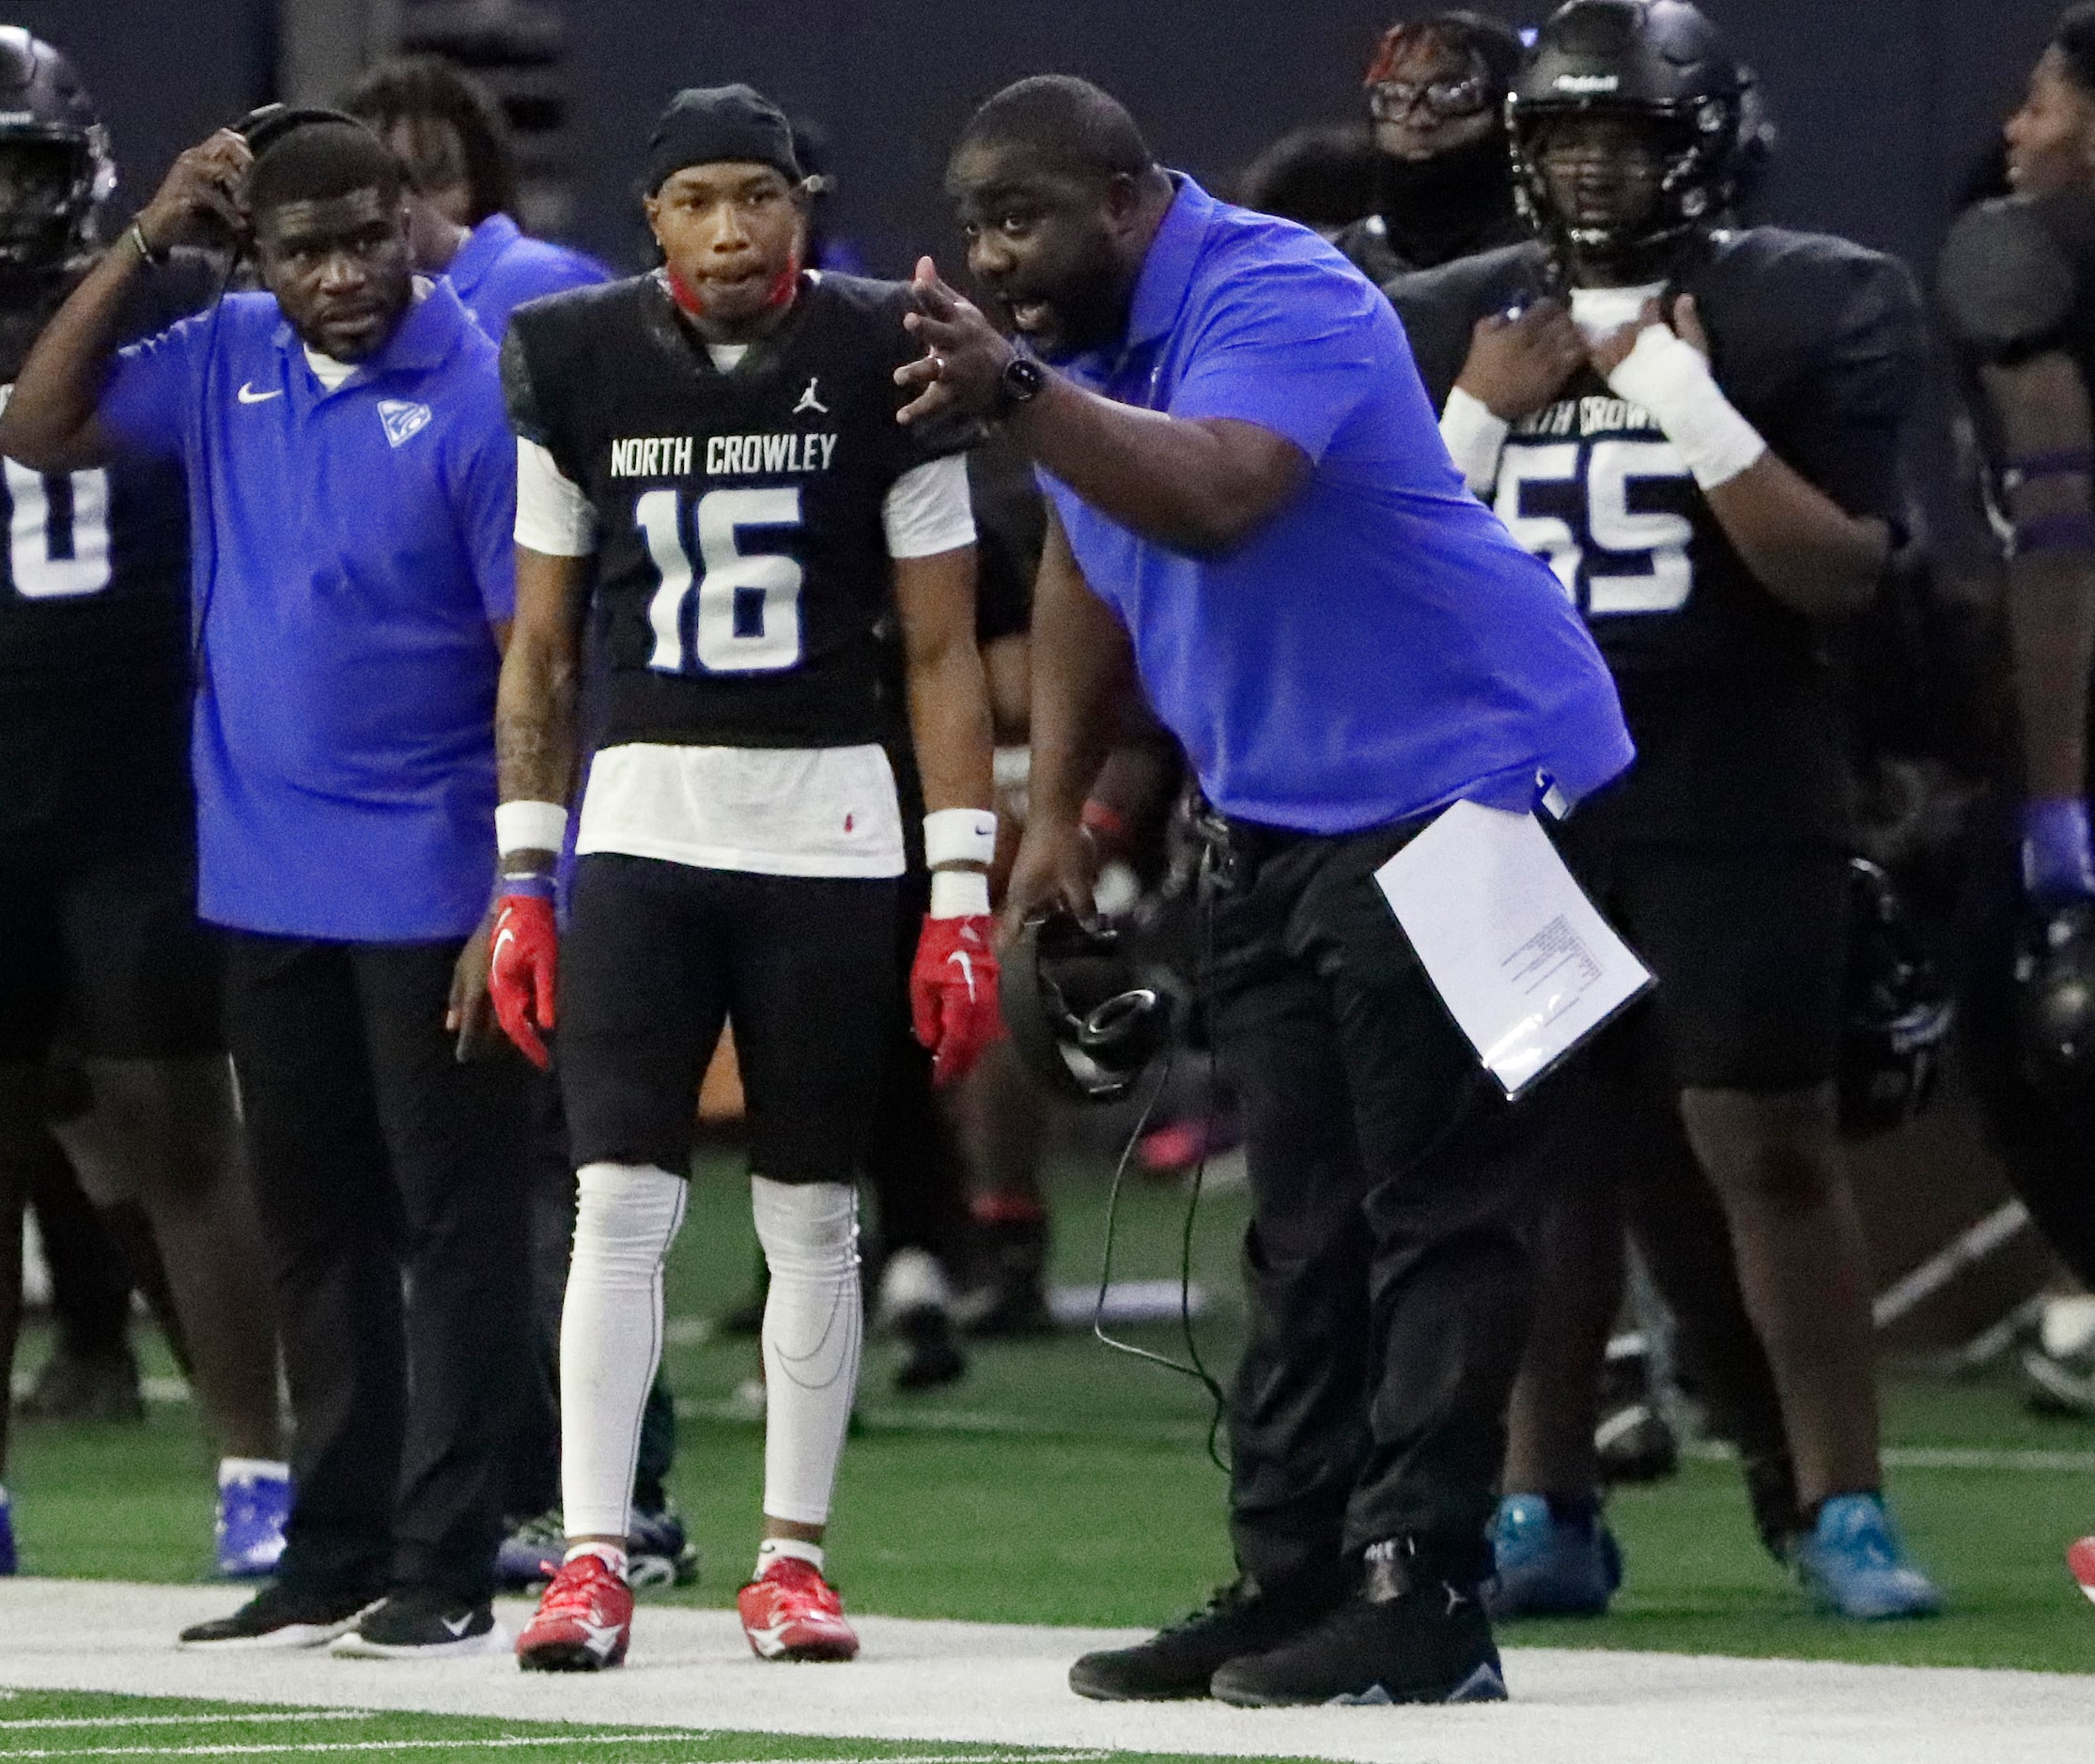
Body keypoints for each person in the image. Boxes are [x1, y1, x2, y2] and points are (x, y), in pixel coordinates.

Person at [909, 72, 1630, 1707]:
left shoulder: (1277, 287)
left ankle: (1428, 1589)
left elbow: (1221, 494)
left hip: (1471, 776)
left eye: (1018, 217)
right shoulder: (1082, 347)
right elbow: (1083, 558)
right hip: (1288, 803)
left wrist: (1018, 383)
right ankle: (1292, 1570)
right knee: (1299, 1223)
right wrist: (1061, 822)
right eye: (971, 227)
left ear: (1123, 197)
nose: (992, 254)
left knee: (1437, 1206)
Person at [1387, 0, 1939, 1620]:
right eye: (1563, 138)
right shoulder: (1448, 319)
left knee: (1763, 1139)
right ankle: (1537, 1498)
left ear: (1697, 143)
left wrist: (1675, 393)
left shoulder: (1814, 302)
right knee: (1536, 1151)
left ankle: (1844, 1503)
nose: (1595, 168)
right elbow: (1393, 584)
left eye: (1624, 134)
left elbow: (1836, 570)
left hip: (1731, 777)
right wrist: (1481, 412)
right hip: (1514, 791)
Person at [0, 107, 534, 1656]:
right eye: (309, 249)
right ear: (259, 259)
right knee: (313, 1224)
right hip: (266, 872)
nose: (349, 273)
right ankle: (334, 1535)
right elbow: (36, 421)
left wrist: (522, 878)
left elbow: (537, 662)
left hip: (436, 876)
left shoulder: (484, 387)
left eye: (373, 236)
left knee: (455, 1221)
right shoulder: (224, 352)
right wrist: (151, 233)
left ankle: (454, 1541)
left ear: (407, 229)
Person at [489, 84, 999, 1673]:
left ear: (805, 200)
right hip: (645, 812)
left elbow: (936, 643)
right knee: (618, 1200)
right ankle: (594, 1552)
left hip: (833, 821)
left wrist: (963, 880)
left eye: (758, 196)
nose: (730, 229)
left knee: (812, 1211)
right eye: (699, 198)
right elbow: (548, 644)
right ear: (652, 217)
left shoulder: (884, 354)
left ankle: (791, 1557)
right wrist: (523, 866)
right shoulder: (573, 357)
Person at [0, 26, 287, 1579]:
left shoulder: (175, 306)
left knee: (182, 1126)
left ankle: (254, 1467)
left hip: (138, 781)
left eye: (18, 165)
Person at [1936, 3, 2095, 1594]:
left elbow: (2057, 516)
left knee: (2037, 1040)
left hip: (2076, 733)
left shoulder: (2019, 253)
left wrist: (2055, 794)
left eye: (2046, 97)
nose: (2019, 128)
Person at [341, 55, 608, 342]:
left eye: (435, 179)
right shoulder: (325, 318)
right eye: (380, 185)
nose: (408, 207)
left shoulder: (552, 288)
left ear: (484, 185)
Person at [1333, 10, 1529, 284]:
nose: (1420, 119)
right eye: (1396, 96)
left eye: (1453, 94)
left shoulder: (1548, 262)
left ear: (1507, 112)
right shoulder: (1341, 262)